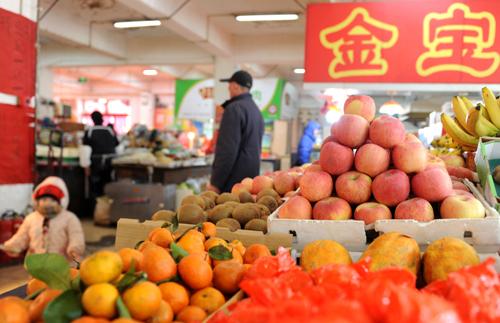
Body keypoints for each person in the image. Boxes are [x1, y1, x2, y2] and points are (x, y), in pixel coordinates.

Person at [1, 177, 85, 262]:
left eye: (53, 200)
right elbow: (22, 236)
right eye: (44, 200)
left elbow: (76, 235)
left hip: (61, 264)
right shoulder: (31, 218)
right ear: (37, 201)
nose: (48, 204)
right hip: (36, 265)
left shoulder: (70, 218)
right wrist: (11, 246)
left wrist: (75, 249)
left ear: (61, 202)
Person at [208, 70, 264, 193]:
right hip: (250, 181)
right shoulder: (256, 111)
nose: (228, 88)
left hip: (232, 184)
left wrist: (215, 183)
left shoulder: (233, 109)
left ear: (235, 86)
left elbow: (227, 150)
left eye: (229, 85)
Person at [82, 111, 119, 200]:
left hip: (96, 162)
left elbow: (85, 149)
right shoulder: (109, 130)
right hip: (110, 161)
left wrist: (86, 165)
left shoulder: (90, 131)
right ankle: (107, 206)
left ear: (92, 119)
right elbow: (117, 143)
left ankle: (96, 206)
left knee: (96, 185)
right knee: (108, 183)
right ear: (102, 118)